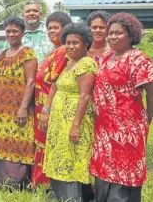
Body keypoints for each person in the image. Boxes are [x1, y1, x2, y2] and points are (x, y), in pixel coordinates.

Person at [90, 12, 153, 202]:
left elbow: (151, 90)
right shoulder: (108, 57)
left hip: (127, 129)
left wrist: (147, 117)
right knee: (105, 168)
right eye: (111, 33)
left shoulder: (137, 59)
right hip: (104, 128)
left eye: (119, 33)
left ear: (131, 34)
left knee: (125, 170)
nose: (112, 37)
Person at [42, 23, 97, 201]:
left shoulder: (86, 64)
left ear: (86, 45)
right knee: (61, 159)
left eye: (76, 43)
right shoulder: (70, 62)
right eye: (68, 42)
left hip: (74, 122)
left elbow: (85, 96)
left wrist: (75, 126)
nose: (71, 46)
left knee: (72, 162)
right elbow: (56, 86)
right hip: (60, 121)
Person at [0, 16, 37, 189]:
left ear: (22, 32)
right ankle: (0, 180)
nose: (11, 34)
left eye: (15, 30)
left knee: (18, 141)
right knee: (1, 141)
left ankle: (17, 182)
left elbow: (30, 82)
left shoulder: (27, 53)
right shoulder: (2, 55)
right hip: (0, 110)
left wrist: (23, 108)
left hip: (18, 109)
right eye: (8, 31)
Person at [33, 11, 72, 188]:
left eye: (56, 27)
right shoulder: (53, 51)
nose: (51, 31)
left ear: (65, 30)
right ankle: (40, 182)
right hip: (42, 106)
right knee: (43, 143)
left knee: (49, 144)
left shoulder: (64, 51)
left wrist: (47, 110)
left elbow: (55, 83)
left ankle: (46, 183)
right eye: (49, 28)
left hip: (52, 107)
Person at [3, 0, 52, 64]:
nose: (31, 13)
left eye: (35, 11)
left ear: (41, 14)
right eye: (28, 11)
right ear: (23, 15)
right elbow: (5, 59)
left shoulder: (51, 32)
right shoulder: (14, 35)